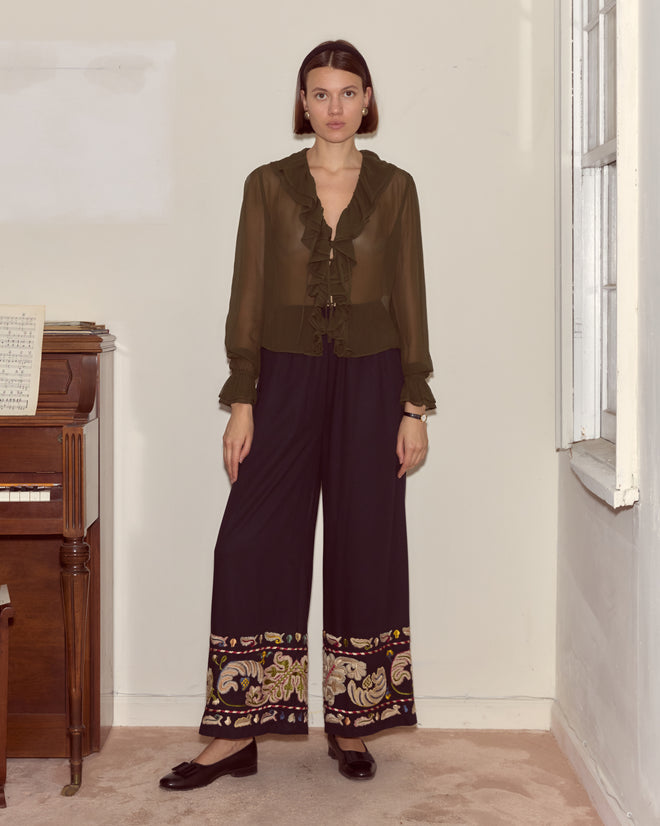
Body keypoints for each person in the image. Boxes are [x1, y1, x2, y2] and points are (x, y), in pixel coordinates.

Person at [160, 38, 434, 790]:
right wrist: (241, 397)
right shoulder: (269, 184)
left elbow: (409, 291)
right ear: (302, 101)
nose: (336, 107)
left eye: (349, 92)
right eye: (321, 93)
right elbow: (246, 290)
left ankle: (353, 718)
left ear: (368, 100)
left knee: (364, 540)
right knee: (250, 543)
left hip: (375, 381)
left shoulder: (398, 188)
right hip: (283, 378)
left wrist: (414, 402)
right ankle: (236, 730)